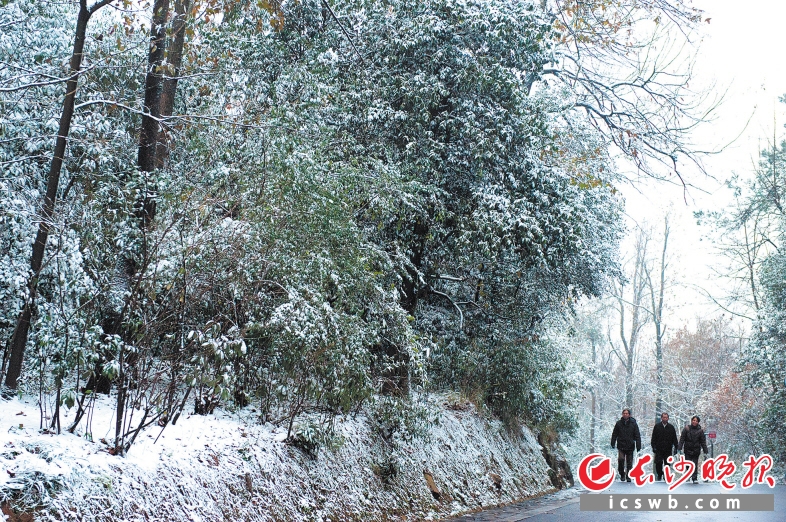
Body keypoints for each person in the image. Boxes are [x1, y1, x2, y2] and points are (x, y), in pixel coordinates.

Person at [611, 408, 641, 482]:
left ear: (629, 415)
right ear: (622, 414)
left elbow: (637, 435)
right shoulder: (618, 423)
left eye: (627, 413)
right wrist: (613, 442)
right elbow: (614, 434)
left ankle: (628, 475)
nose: (625, 414)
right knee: (621, 460)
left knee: (629, 462)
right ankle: (622, 473)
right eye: (624, 413)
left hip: (630, 446)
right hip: (621, 445)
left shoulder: (633, 424)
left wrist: (638, 445)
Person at [678, 415, 708, 484]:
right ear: (691, 421)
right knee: (688, 463)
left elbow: (703, 441)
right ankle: (688, 475)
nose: (695, 422)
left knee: (694, 464)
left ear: (698, 422)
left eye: (696, 421)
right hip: (687, 449)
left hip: (696, 450)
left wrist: (705, 450)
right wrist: (679, 448)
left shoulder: (700, 431)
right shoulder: (686, 429)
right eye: (694, 420)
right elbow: (682, 439)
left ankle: (694, 478)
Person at [650, 412, 678, 481]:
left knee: (667, 463)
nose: (665, 419)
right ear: (661, 418)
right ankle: (660, 474)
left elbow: (674, 438)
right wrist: (653, 446)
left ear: (668, 418)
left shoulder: (671, 427)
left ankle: (666, 475)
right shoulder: (657, 426)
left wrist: (676, 447)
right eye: (663, 417)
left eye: (666, 417)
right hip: (659, 448)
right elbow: (654, 437)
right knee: (658, 463)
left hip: (668, 448)